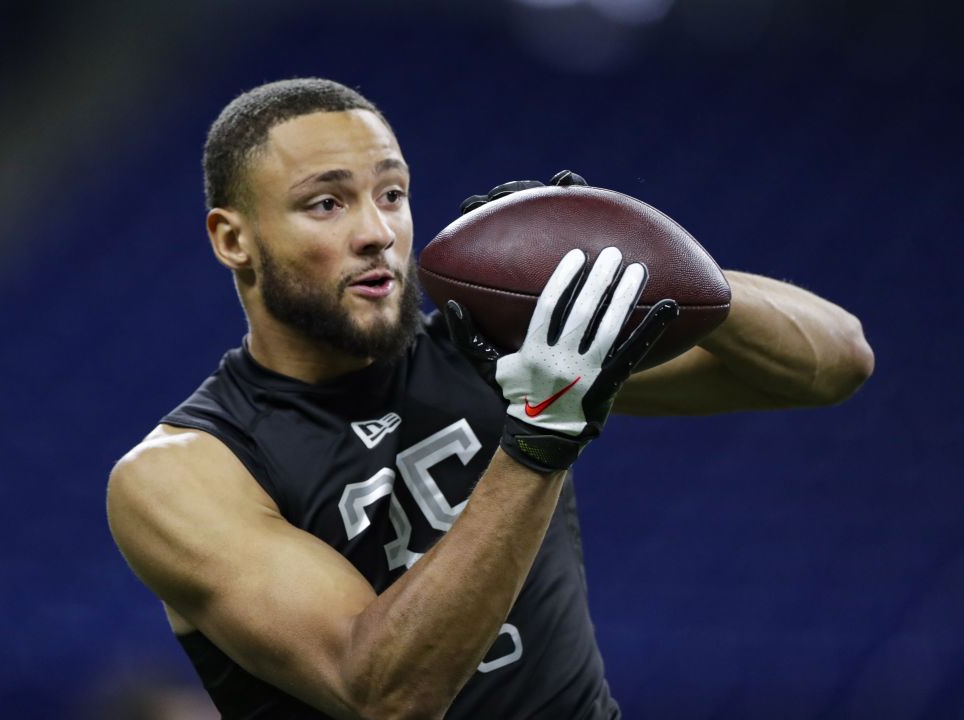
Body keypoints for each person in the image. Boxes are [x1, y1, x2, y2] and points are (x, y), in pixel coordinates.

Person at [106, 78, 874, 720]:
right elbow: (386, 693)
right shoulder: (183, 474)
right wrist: (538, 438)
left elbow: (834, 363)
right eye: (326, 205)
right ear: (232, 239)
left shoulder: (499, 343)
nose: (378, 232)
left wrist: (641, 260)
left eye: (393, 193)